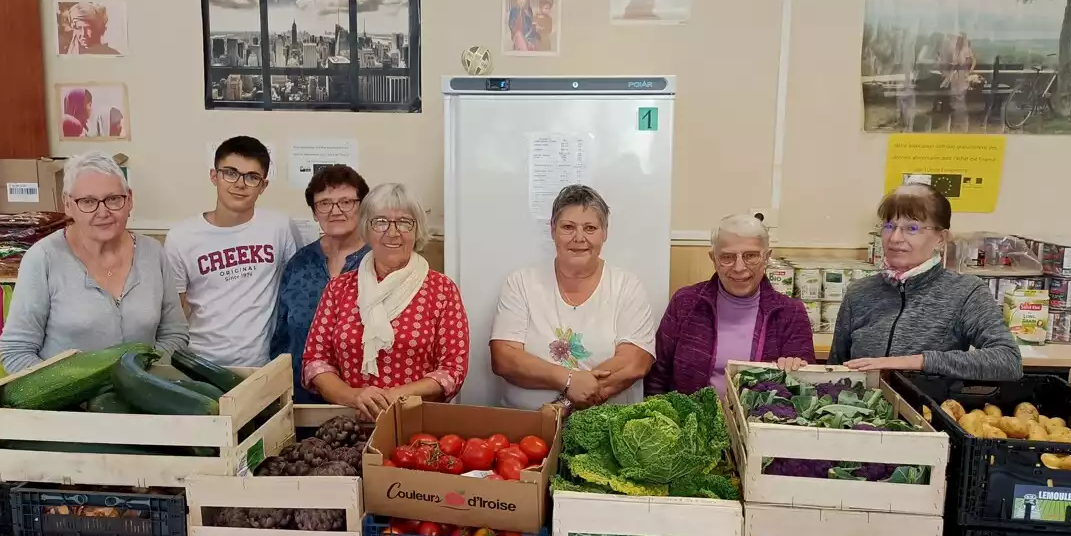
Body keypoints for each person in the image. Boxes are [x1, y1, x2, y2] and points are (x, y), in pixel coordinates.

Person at [0, 153, 188, 373]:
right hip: (67, 404)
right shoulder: (43, 258)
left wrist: (143, 379)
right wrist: (72, 392)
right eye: (88, 201)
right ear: (68, 205)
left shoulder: (153, 253)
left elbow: (175, 334)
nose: (103, 212)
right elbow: (15, 351)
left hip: (143, 399)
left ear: (129, 199)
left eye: (113, 199)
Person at [303, 183, 469, 421]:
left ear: (417, 230)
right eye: (380, 222)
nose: (392, 232)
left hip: (416, 426)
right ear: (366, 230)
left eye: (404, 222)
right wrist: (353, 396)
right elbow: (315, 361)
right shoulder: (339, 289)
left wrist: (391, 397)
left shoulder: (442, 290)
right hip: (346, 424)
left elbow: (453, 370)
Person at [822, 184, 1022, 379]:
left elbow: (1008, 360)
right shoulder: (859, 292)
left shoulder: (965, 292)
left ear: (941, 239)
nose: (895, 238)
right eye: (889, 226)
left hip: (926, 409)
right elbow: (834, 370)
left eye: (912, 228)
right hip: (864, 410)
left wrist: (915, 362)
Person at [491, 185, 655, 411]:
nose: (579, 238)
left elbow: (634, 363)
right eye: (568, 227)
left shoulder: (627, 286)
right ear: (552, 230)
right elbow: (505, 360)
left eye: (590, 228)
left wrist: (562, 405)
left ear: (605, 232)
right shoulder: (520, 283)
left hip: (606, 432)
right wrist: (568, 379)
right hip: (528, 434)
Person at [163, 136, 301, 368]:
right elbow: (172, 312)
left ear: (263, 186)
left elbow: (295, 292)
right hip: (199, 364)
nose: (239, 184)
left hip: (263, 365)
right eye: (230, 173)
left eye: (252, 177)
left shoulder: (280, 227)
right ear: (214, 176)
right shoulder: (181, 237)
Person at [645, 215, 816, 397]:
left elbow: (802, 388)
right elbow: (656, 378)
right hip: (691, 423)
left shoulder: (791, 313)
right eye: (727, 257)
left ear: (766, 257)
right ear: (713, 258)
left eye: (751, 256)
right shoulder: (685, 302)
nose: (739, 267)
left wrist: (794, 367)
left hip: (759, 423)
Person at [271, 165, 372, 404]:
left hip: (366, 403)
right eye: (325, 203)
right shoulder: (299, 264)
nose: (335, 211)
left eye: (346, 202)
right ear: (315, 213)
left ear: (363, 207)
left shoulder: (378, 262)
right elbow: (281, 338)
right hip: (301, 402)